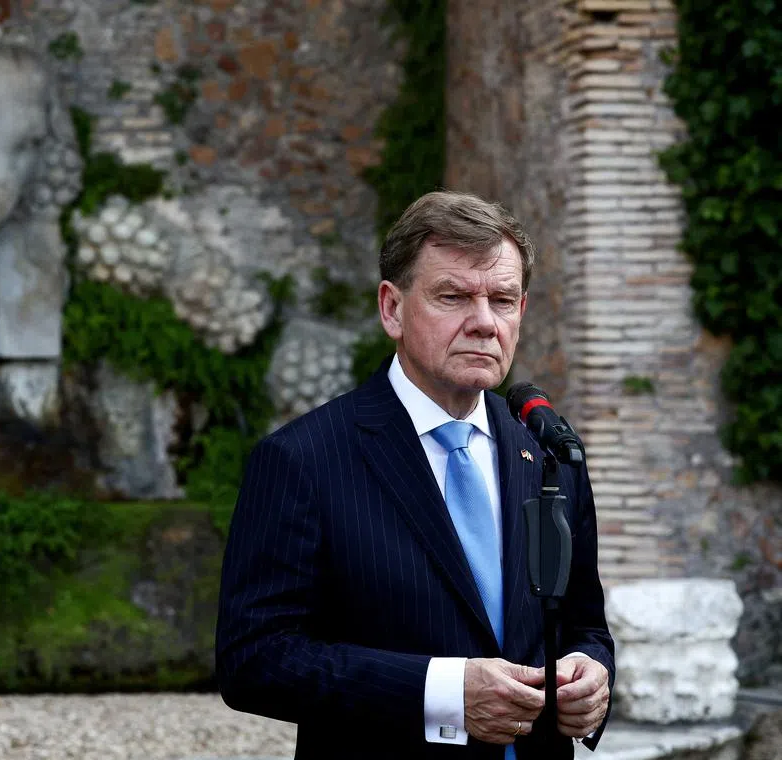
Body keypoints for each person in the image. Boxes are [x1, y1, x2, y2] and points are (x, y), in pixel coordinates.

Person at [215, 191, 614, 759]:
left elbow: (585, 625)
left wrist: (592, 676)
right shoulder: (303, 459)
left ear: (522, 311)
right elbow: (253, 659)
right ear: (392, 309)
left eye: (502, 300)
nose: (483, 322)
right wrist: (446, 694)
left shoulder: (547, 448)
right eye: (453, 296)